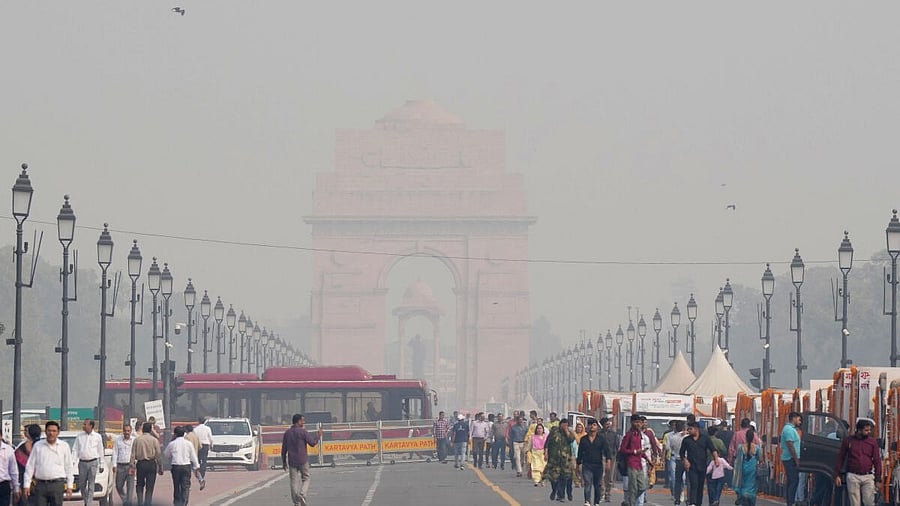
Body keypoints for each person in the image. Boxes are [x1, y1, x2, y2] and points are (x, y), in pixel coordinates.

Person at [23, 421, 74, 506]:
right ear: (45, 432)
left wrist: (70, 486)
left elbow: (69, 466)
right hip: (41, 485)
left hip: (57, 485)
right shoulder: (38, 446)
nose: (51, 433)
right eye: (49, 430)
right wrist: (26, 485)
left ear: (58, 432)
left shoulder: (64, 446)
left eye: (54, 431)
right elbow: (30, 466)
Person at [835, 419, 881, 506]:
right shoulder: (848, 441)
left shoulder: (872, 442)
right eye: (866, 430)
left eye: (869, 430)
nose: (869, 432)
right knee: (855, 503)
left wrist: (878, 479)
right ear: (859, 430)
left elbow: (877, 460)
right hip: (853, 476)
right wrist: (838, 474)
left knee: (869, 502)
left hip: (868, 476)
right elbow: (841, 457)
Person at [281, 414, 324, 506]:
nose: (304, 422)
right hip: (302, 459)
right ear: (298, 421)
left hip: (292, 460)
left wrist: (284, 461)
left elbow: (284, 449)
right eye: (303, 420)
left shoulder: (287, 433)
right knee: (306, 478)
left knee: (293, 481)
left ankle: (296, 502)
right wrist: (318, 435)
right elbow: (312, 443)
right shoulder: (303, 432)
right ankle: (302, 494)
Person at [680, 421, 719, 506]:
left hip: (702, 466)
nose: (688, 431)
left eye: (690, 429)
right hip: (692, 467)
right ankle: (692, 503)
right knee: (694, 484)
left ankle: (698, 503)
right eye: (688, 429)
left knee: (700, 486)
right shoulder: (686, 440)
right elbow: (682, 453)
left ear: (696, 429)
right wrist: (685, 461)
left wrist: (716, 459)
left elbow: (713, 449)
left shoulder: (705, 439)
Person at [163, 426, 201, 506]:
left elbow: (166, 455)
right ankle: (184, 502)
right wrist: (197, 467)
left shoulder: (172, 444)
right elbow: (193, 456)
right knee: (185, 485)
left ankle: (177, 502)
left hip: (176, 466)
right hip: (186, 466)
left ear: (175, 434)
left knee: (176, 486)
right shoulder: (188, 443)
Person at [578, 419, 612, 506]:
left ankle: (596, 502)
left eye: (593, 425)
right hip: (587, 465)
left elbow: (607, 451)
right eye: (589, 425)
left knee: (597, 485)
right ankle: (587, 501)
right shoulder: (583, 439)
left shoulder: (601, 439)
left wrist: (608, 461)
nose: (591, 426)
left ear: (597, 427)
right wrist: (578, 464)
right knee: (588, 483)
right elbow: (580, 452)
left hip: (598, 465)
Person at [620, 415, 651, 506]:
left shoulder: (639, 434)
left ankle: (628, 501)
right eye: (636, 422)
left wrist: (648, 460)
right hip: (631, 463)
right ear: (632, 422)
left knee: (642, 487)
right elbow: (622, 449)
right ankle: (631, 503)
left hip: (639, 464)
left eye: (639, 422)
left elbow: (640, 450)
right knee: (633, 487)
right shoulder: (629, 435)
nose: (638, 424)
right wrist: (634, 451)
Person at [130, 421, 164, 506]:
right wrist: (160, 467)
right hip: (151, 464)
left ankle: (140, 502)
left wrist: (132, 466)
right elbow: (158, 455)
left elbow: (133, 455)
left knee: (140, 485)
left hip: (141, 464)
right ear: (150, 430)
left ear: (143, 429)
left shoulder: (137, 440)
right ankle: (148, 503)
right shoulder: (154, 440)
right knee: (150, 486)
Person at [72, 419, 104, 506]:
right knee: (82, 484)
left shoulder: (97, 436)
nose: (83, 426)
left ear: (91, 426)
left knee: (91, 484)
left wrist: (102, 464)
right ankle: (86, 500)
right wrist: (73, 461)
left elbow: (101, 450)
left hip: (93, 462)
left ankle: (89, 503)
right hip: (82, 463)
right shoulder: (79, 436)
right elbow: (75, 449)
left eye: (85, 424)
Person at [732, 427, 763, 506]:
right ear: (753, 437)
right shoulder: (757, 448)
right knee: (752, 485)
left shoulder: (741, 447)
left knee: (743, 484)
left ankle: (743, 495)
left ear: (746, 437)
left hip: (743, 469)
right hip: (753, 469)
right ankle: (750, 497)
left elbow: (738, 459)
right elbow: (760, 459)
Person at [547, 419, 576, 502]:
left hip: (566, 460)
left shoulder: (569, 433)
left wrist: (566, 431)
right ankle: (554, 490)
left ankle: (561, 495)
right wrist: (546, 452)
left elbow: (571, 440)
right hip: (554, 459)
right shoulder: (554, 431)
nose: (565, 426)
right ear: (560, 424)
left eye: (567, 425)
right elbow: (548, 442)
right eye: (563, 424)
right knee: (553, 478)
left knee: (564, 478)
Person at [14, 424, 41, 506]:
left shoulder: (21, 448)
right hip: (39, 482)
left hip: (25, 482)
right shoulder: (42, 445)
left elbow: (16, 467)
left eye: (26, 431)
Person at [781, 412, 802, 506]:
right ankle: (790, 502)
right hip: (790, 458)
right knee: (794, 480)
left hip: (791, 458)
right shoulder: (788, 429)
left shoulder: (792, 429)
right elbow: (790, 445)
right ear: (793, 418)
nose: (800, 422)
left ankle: (790, 501)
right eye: (799, 419)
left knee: (791, 480)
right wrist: (796, 459)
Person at [112, 424, 136, 506]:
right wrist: (114, 465)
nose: (127, 432)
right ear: (123, 431)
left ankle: (129, 503)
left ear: (131, 431)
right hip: (120, 466)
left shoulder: (134, 440)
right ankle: (125, 500)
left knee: (130, 487)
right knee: (118, 486)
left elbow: (136, 453)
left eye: (128, 431)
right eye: (125, 431)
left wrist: (134, 464)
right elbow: (115, 452)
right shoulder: (118, 440)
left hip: (131, 466)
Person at [667, 420, 688, 505]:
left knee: (677, 480)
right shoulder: (687, 436)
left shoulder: (671, 437)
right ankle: (687, 498)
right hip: (686, 459)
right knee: (687, 480)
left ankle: (677, 498)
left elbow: (669, 447)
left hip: (677, 459)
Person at [600, 417, 618, 503]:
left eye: (609, 424)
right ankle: (602, 493)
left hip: (612, 457)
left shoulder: (613, 434)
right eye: (606, 424)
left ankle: (608, 494)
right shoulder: (599, 434)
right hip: (602, 456)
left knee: (610, 477)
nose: (608, 425)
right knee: (602, 475)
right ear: (602, 425)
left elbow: (616, 445)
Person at [0, 432, 20, 506]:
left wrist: (16, 488)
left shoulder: (8, 449)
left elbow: (13, 470)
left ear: (1, 436)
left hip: (3, 485)